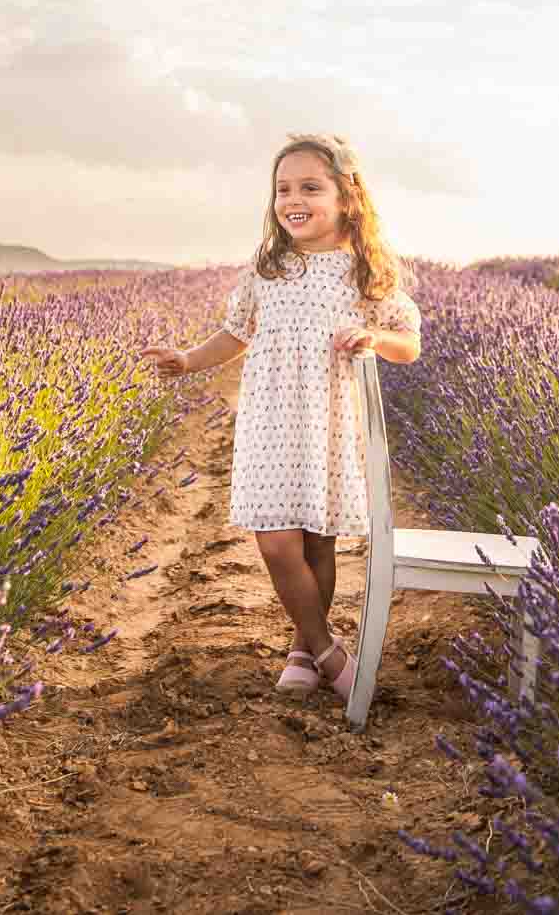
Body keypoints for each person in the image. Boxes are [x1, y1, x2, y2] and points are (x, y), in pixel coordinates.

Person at [138, 132, 423, 702]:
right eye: (283, 188)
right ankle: (327, 649)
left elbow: (408, 342)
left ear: (348, 198)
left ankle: (299, 646)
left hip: (327, 421)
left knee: (318, 540)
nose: (293, 198)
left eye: (310, 187)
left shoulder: (363, 272)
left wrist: (374, 336)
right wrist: (188, 360)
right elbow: (236, 332)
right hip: (269, 421)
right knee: (276, 540)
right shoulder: (268, 268)